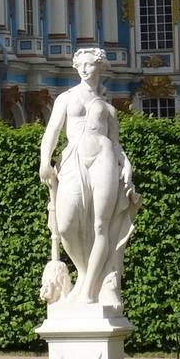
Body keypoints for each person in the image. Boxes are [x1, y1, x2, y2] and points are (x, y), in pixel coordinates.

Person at [37, 47, 140, 308]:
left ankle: (90, 290)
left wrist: (126, 164)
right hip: (73, 160)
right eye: (80, 64)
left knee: (100, 226)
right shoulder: (66, 98)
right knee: (65, 224)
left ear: (100, 67)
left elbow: (115, 144)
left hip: (103, 159)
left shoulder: (108, 108)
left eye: (89, 64)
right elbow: (51, 132)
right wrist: (44, 162)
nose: (83, 69)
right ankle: (84, 275)